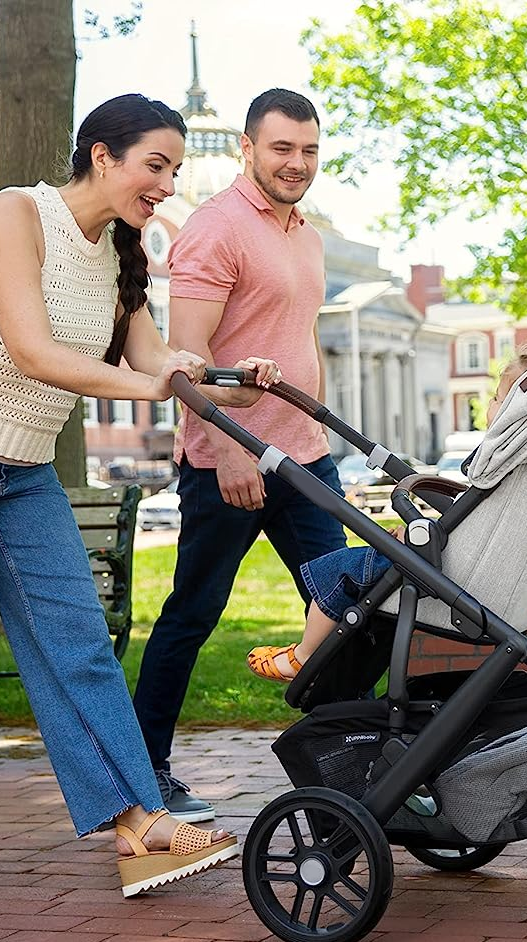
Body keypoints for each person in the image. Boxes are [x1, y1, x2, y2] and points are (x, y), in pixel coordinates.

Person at [0, 95, 277, 904]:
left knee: (76, 638)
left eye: (176, 171)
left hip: (22, 471)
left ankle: (139, 825)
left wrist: (227, 381)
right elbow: (32, 349)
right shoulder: (17, 214)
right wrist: (156, 383)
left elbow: (162, 360)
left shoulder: (123, 251)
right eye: (156, 165)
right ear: (102, 155)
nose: (166, 185)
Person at [131, 89, 347, 822]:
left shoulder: (305, 235)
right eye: (282, 148)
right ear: (246, 149)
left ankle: (355, 769)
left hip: (306, 456)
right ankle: (143, 773)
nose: (297, 162)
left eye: (309, 149)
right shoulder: (215, 229)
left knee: (347, 610)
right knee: (193, 612)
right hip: (233, 461)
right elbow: (188, 360)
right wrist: (227, 452)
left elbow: (297, 339)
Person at [246, 346, 527, 681]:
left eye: (496, 397)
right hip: (482, 566)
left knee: (339, 568)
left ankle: (303, 656)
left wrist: (416, 536)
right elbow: (480, 521)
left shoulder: (497, 457)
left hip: (452, 571)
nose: (490, 404)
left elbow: (475, 522)